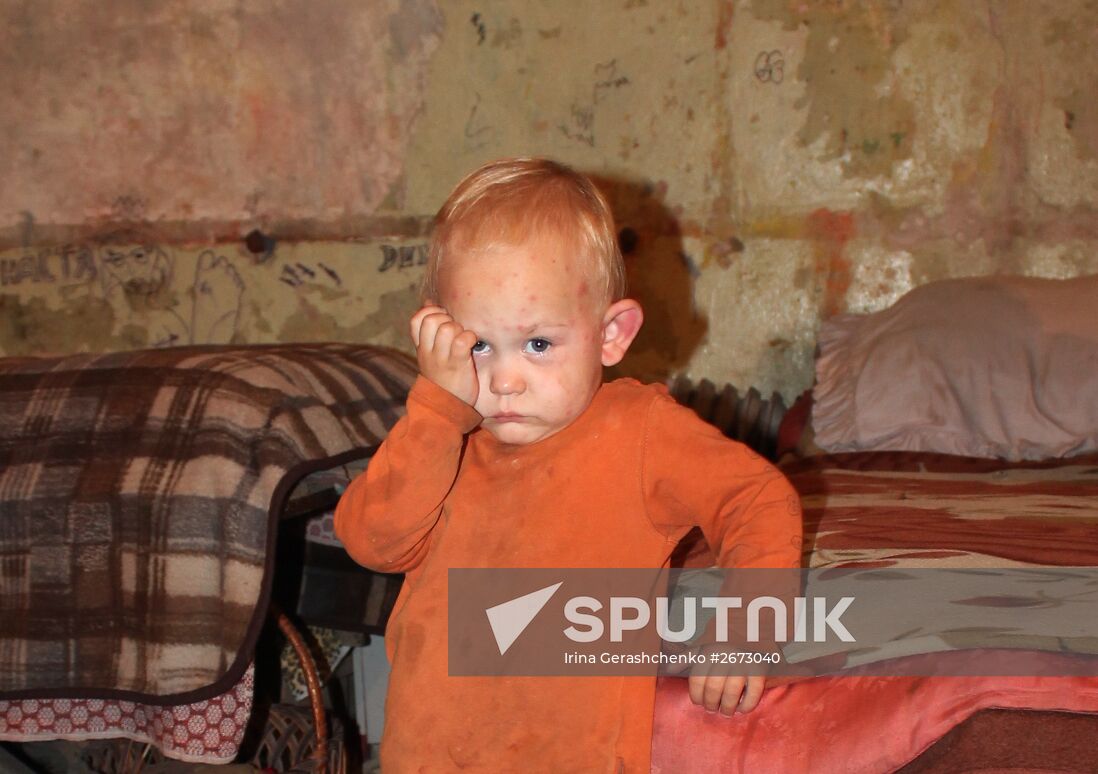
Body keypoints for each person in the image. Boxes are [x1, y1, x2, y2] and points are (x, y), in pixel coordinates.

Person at [334, 157, 802, 772]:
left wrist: (744, 627)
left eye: (538, 344)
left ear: (610, 335)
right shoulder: (444, 434)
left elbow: (758, 499)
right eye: (476, 345)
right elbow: (372, 542)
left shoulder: (640, 431)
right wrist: (435, 413)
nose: (503, 381)